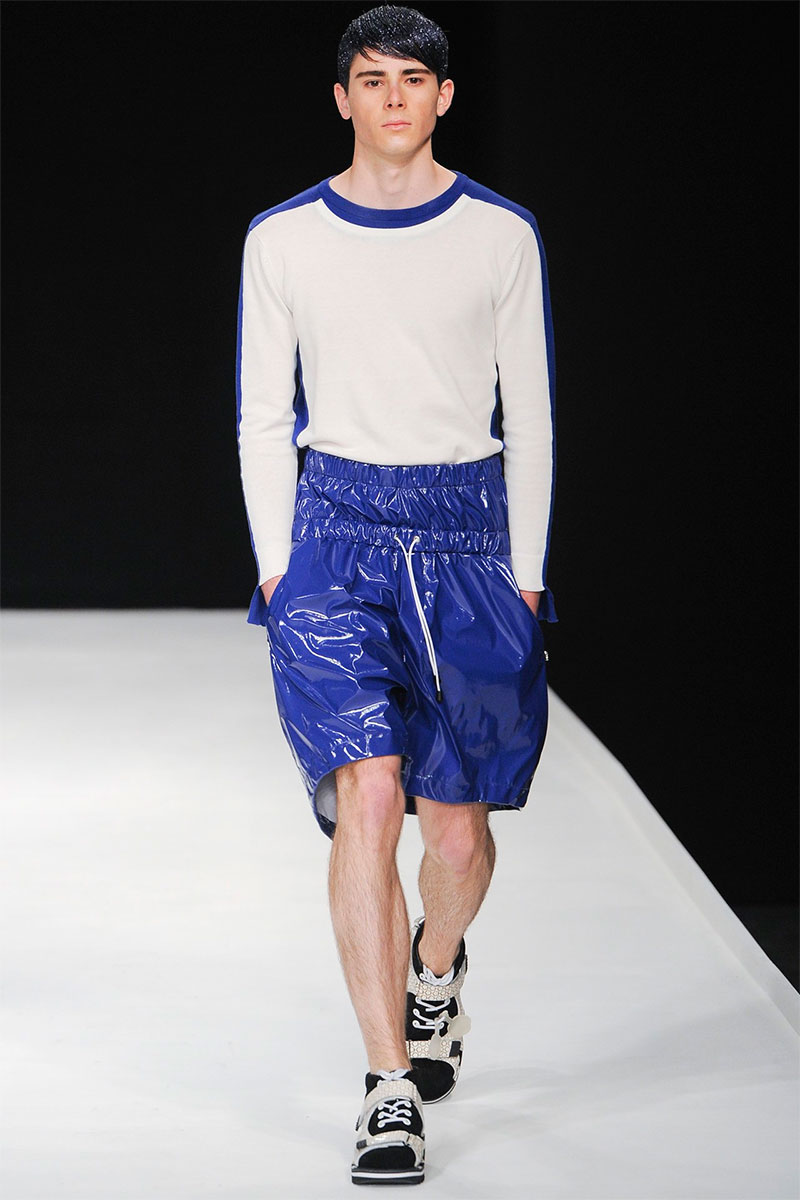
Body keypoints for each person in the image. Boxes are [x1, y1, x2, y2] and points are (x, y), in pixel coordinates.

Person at [236, 3, 557, 1185]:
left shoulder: (499, 234)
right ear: (341, 98)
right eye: (370, 79)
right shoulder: (282, 238)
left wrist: (526, 576)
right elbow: (261, 413)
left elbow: (530, 415)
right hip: (333, 535)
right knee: (367, 792)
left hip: (467, 538)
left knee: (456, 830)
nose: (390, 99)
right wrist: (278, 566)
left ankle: (435, 972)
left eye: (411, 79)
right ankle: (386, 1088)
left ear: (442, 96)